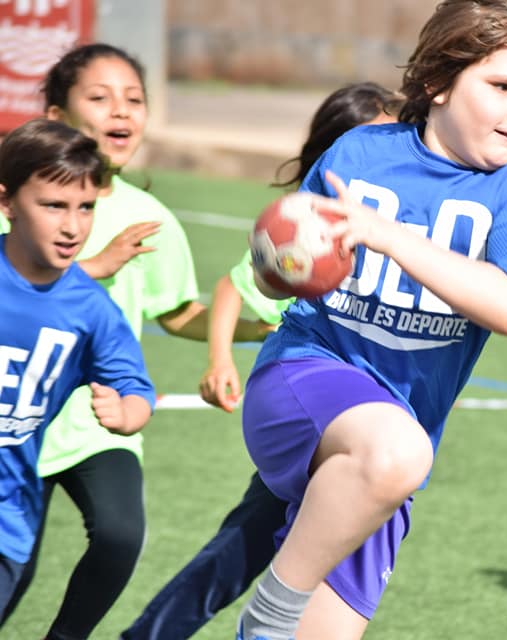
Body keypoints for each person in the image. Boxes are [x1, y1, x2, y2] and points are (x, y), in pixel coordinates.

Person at [235, 1, 507, 638]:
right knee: (399, 451)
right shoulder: (360, 152)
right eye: (503, 86)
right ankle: (273, 607)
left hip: (390, 460)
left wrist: (388, 236)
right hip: (304, 377)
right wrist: (276, 263)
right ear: (439, 82)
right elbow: (275, 275)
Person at [0, 43, 269, 639]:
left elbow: (176, 312)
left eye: (134, 99)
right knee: (16, 566)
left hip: (94, 419)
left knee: (121, 534)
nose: (121, 110)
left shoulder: (151, 218)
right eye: (100, 98)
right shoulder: (22, 199)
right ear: (57, 117)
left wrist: (249, 333)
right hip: (22, 419)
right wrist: (96, 265)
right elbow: (24, 281)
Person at [120, 81, 404, 640]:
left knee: (297, 571)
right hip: (315, 428)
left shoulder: (394, 229)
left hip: (367, 433)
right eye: (372, 140)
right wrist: (220, 360)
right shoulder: (305, 233)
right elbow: (234, 286)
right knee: (239, 555)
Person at [0, 118, 154, 617]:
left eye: (85, 207)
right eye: (53, 206)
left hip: (8, 520)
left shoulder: (91, 310)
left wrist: (126, 414)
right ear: (7, 203)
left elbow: (136, 388)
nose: (73, 226)